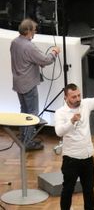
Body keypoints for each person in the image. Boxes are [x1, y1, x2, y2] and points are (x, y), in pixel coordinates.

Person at [10, 18, 59, 150]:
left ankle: (24, 138)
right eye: (34, 30)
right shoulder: (29, 46)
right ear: (28, 31)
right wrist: (54, 53)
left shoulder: (15, 42)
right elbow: (45, 60)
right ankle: (28, 143)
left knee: (24, 111)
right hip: (28, 84)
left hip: (18, 83)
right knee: (32, 114)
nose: (35, 32)